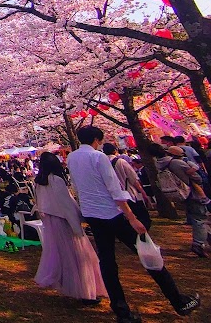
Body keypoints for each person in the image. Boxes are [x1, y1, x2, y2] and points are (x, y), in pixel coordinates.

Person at [68, 127, 200, 321]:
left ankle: (121, 311)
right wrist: (131, 217)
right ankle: (178, 300)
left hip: (92, 214)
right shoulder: (98, 157)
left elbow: (78, 186)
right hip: (113, 213)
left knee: (107, 262)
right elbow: (114, 188)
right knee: (148, 252)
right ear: (97, 139)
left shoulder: (72, 158)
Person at [34, 152, 107, 303]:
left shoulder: (40, 181)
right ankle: (86, 292)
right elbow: (66, 205)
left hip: (51, 221)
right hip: (64, 220)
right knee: (79, 256)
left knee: (63, 256)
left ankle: (70, 285)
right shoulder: (56, 180)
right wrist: (78, 224)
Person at [149, 143, 210, 258]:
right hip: (191, 192)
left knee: (195, 216)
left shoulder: (159, 164)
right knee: (200, 217)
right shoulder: (177, 163)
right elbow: (197, 178)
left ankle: (206, 237)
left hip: (179, 193)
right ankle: (198, 244)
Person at [102, 143, 153, 230]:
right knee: (142, 216)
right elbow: (133, 179)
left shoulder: (102, 163)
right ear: (115, 150)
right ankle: (141, 234)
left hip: (112, 196)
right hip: (129, 193)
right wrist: (143, 193)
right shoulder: (121, 162)